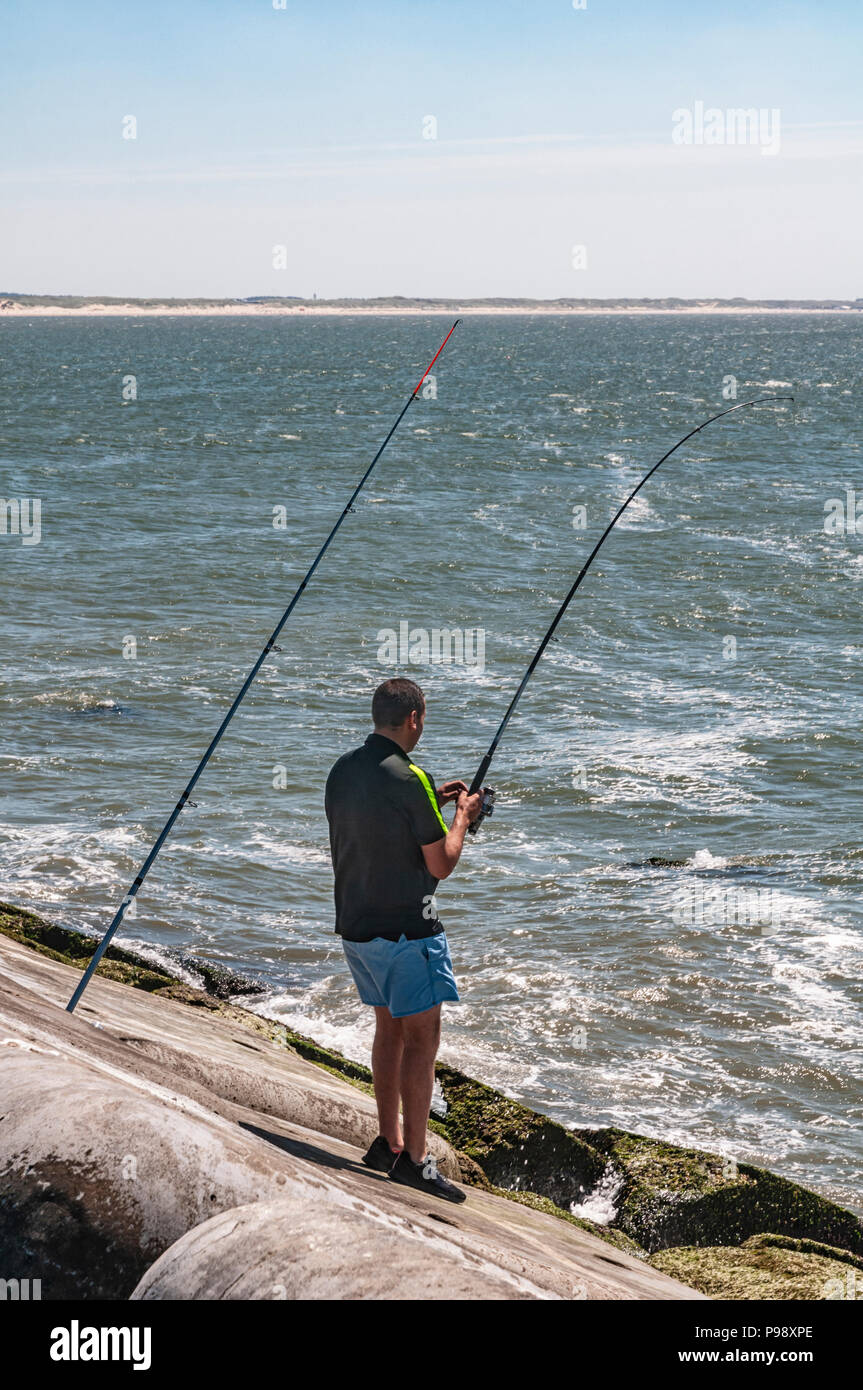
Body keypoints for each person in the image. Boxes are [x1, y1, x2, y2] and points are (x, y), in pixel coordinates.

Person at [324, 676, 482, 1202]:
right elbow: (442, 861)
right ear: (414, 718)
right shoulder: (409, 778)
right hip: (407, 933)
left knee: (387, 1030)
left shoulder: (344, 770)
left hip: (358, 930)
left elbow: (375, 817)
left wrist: (431, 798)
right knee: (422, 1041)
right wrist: (460, 816)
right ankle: (415, 1161)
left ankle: (387, 1142)